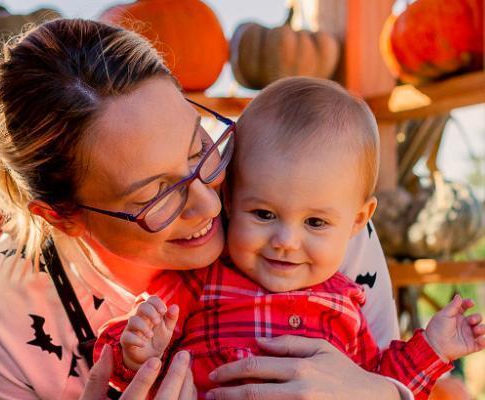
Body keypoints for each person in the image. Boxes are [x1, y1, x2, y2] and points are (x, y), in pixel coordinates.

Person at [0, 18, 412, 399]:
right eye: (155, 195)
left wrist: (382, 393)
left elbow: (392, 368)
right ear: (60, 216)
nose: (208, 202)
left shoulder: (306, 207)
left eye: (198, 145)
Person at [94, 77, 485, 400]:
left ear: (357, 221)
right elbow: (125, 362)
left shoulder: (347, 307)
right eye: (264, 215)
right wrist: (138, 352)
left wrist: (433, 348)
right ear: (229, 198)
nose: (285, 240)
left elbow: (381, 382)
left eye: (315, 223)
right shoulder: (200, 281)